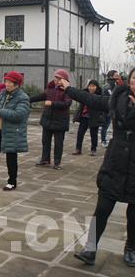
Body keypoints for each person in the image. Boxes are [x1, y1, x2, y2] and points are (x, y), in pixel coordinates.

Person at [58, 69, 135, 267]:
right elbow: (92, 100)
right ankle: (90, 248)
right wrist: (69, 89)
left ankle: (131, 248)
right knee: (102, 207)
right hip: (115, 161)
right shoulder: (118, 99)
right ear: (129, 81)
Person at [29, 69, 72, 170]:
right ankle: (45, 160)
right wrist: (28, 99)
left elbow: (67, 103)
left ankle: (57, 162)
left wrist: (52, 103)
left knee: (58, 143)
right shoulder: (51, 88)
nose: (57, 80)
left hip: (60, 121)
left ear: (65, 80)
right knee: (45, 141)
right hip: (47, 119)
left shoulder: (68, 90)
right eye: (56, 78)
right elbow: (42, 96)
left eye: (59, 79)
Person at [72, 80, 105, 156]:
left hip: (94, 117)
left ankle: (93, 149)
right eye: (90, 86)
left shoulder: (100, 95)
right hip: (84, 116)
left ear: (97, 87)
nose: (91, 88)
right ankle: (78, 149)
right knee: (80, 133)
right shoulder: (85, 94)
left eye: (93, 86)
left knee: (93, 134)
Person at [101, 70, 123, 147]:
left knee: (112, 125)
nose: (118, 76)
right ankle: (103, 140)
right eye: (116, 75)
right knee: (105, 125)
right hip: (107, 109)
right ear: (111, 76)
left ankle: (114, 140)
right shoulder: (108, 86)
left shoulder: (116, 84)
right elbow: (111, 97)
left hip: (114, 109)